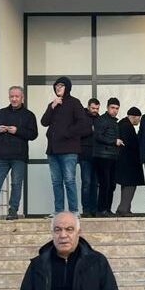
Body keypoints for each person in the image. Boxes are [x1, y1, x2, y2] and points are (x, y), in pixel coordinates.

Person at [0, 86, 38, 221]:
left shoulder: (29, 115)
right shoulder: (1, 113)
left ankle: (13, 211)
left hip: (19, 156)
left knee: (16, 184)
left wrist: (17, 131)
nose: (14, 99)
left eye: (17, 96)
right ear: (9, 97)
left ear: (22, 98)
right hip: (1, 155)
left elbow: (33, 134)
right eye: (11, 96)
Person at [41, 77, 90, 215]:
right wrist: (52, 107)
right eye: (56, 85)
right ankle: (59, 211)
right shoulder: (53, 104)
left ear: (67, 87)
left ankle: (74, 211)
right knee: (56, 182)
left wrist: (67, 133)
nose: (58, 87)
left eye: (61, 85)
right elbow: (44, 122)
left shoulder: (74, 103)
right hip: (52, 150)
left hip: (69, 150)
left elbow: (83, 123)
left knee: (69, 181)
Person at [93, 98, 124, 217]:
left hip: (112, 157)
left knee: (111, 185)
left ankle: (107, 209)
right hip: (102, 157)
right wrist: (114, 141)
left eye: (117, 108)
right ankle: (101, 210)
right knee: (105, 184)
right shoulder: (101, 120)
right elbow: (98, 136)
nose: (115, 110)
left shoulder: (114, 122)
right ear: (107, 108)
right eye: (112, 108)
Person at [116, 106, 145, 216]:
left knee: (126, 185)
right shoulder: (127, 127)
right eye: (139, 118)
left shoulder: (122, 124)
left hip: (125, 162)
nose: (139, 121)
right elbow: (132, 144)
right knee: (130, 185)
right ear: (134, 117)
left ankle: (125, 208)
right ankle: (123, 208)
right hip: (129, 163)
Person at [78, 98, 101, 218]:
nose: (95, 110)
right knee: (86, 183)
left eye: (97, 108)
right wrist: (91, 130)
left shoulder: (99, 119)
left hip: (97, 155)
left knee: (95, 183)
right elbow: (77, 133)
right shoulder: (81, 117)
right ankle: (86, 210)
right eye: (93, 108)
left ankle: (94, 209)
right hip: (85, 155)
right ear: (88, 107)